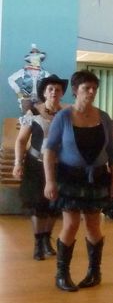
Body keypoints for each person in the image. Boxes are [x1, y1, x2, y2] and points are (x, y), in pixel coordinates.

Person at [43, 70, 113, 292]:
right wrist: (49, 182)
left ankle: (94, 272)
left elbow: (112, 152)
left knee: (94, 225)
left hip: (97, 178)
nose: (91, 92)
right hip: (70, 177)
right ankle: (62, 274)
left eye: (94, 88)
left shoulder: (104, 117)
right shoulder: (63, 117)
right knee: (71, 224)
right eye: (87, 88)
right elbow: (49, 151)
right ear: (76, 90)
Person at [12, 74, 67, 260]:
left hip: (59, 166)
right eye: (50, 89)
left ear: (62, 93)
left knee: (53, 205)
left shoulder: (66, 115)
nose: (54, 92)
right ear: (44, 92)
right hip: (35, 165)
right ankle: (38, 243)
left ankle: (46, 240)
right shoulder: (32, 114)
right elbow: (21, 141)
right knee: (38, 205)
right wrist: (18, 163)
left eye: (58, 89)